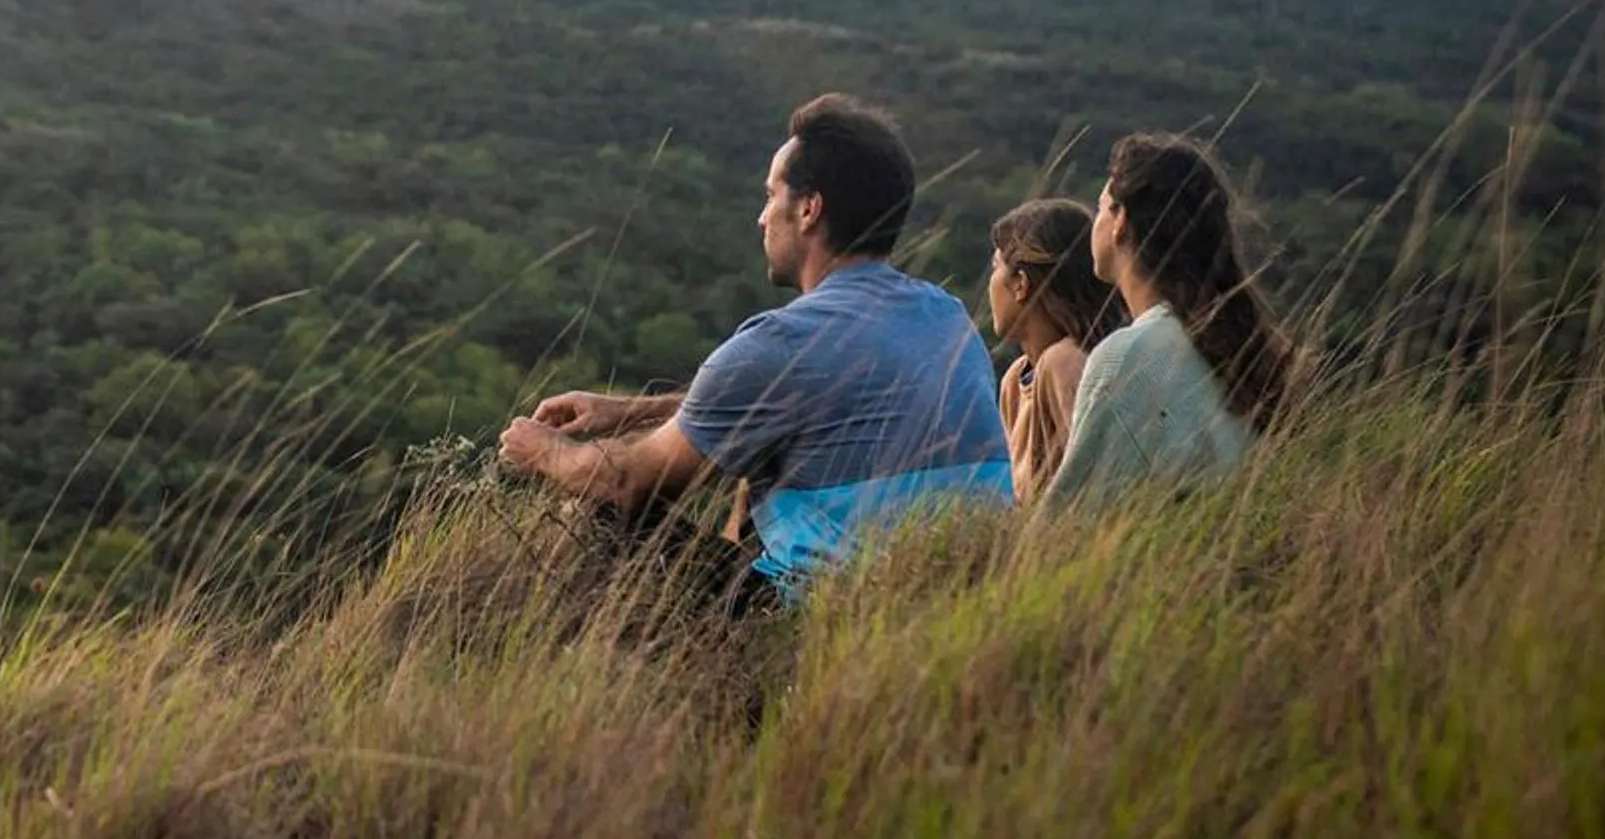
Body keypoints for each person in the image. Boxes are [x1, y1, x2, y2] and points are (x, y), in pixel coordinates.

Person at [499, 94, 1012, 594]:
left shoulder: (781, 342)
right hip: (971, 592)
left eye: (771, 196)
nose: (762, 218)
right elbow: (809, 405)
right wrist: (630, 411)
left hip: (832, 605)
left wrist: (543, 450)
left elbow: (627, 482)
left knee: (603, 508)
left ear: (808, 209)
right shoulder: (947, 316)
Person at [1046, 133, 1294, 504]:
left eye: (1101, 209)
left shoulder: (1125, 356)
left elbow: (1070, 513)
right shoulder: (1239, 341)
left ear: (1120, 221)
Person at [985, 197, 1126, 502]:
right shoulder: (1015, 380)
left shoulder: (1064, 362)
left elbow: (1097, 485)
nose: (990, 284)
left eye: (996, 267)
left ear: (1021, 283)